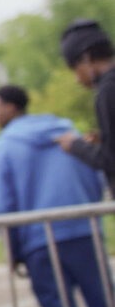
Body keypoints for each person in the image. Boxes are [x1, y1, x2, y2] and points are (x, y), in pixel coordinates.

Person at [0, 84, 114, 307]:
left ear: (11, 107)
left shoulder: (3, 147)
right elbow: (93, 177)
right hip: (83, 230)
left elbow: (5, 205)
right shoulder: (67, 132)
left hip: (39, 241)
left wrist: (13, 249)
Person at [56, 18, 115, 197]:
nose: (77, 78)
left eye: (75, 69)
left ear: (87, 58)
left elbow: (110, 159)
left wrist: (75, 145)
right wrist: (104, 140)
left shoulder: (107, 90)